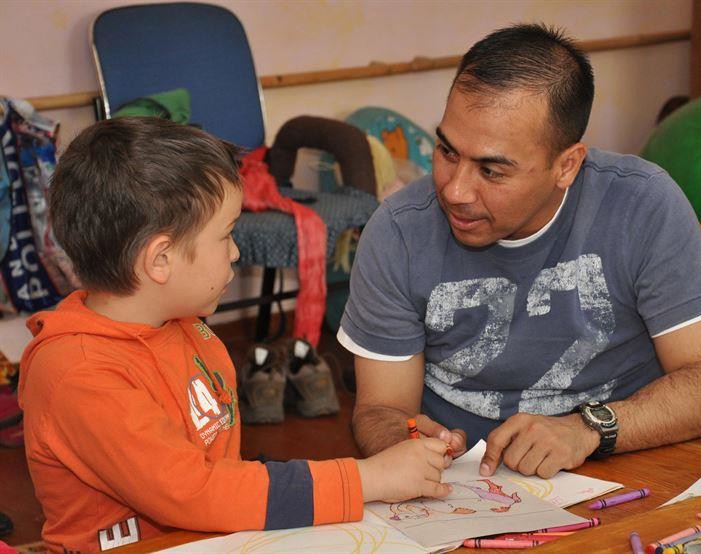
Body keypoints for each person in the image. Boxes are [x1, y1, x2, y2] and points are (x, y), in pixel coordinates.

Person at [17, 117, 451, 553]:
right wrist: (366, 479)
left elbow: (222, 476)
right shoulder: (79, 375)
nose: (237, 251)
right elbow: (194, 491)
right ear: (160, 259)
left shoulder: (183, 324)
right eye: (226, 235)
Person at [338, 24, 701, 480]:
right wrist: (405, 443)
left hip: (623, 462)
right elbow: (380, 410)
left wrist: (588, 430)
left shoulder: (642, 206)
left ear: (566, 165)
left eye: (491, 171)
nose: (454, 190)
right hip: (463, 487)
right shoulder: (398, 231)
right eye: (447, 151)